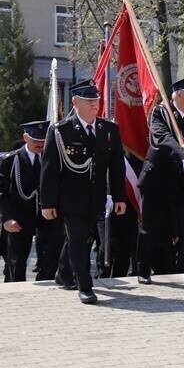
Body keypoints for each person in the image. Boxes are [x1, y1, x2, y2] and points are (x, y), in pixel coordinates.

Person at [40, 80, 126, 304]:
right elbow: (49, 170)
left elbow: (116, 168)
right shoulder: (61, 131)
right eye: (89, 101)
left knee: (82, 238)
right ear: (75, 102)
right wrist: (47, 203)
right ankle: (85, 286)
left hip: (96, 198)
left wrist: (119, 197)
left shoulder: (109, 130)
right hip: (70, 199)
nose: (94, 105)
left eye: (96, 101)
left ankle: (64, 273)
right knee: (78, 239)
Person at [136, 76, 184, 289]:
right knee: (151, 227)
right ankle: (143, 268)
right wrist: (183, 155)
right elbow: (161, 138)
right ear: (178, 95)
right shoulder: (161, 113)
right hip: (159, 179)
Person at [0, 121, 64, 282]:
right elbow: (2, 193)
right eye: (36, 140)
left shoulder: (53, 159)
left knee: (52, 251)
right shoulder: (10, 161)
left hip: (47, 215)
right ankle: (17, 289)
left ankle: (45, 279)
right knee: (16, 259)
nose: (40, 144)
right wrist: (6, 219)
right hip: (19, 216)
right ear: (25, 138)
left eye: (43, 140)